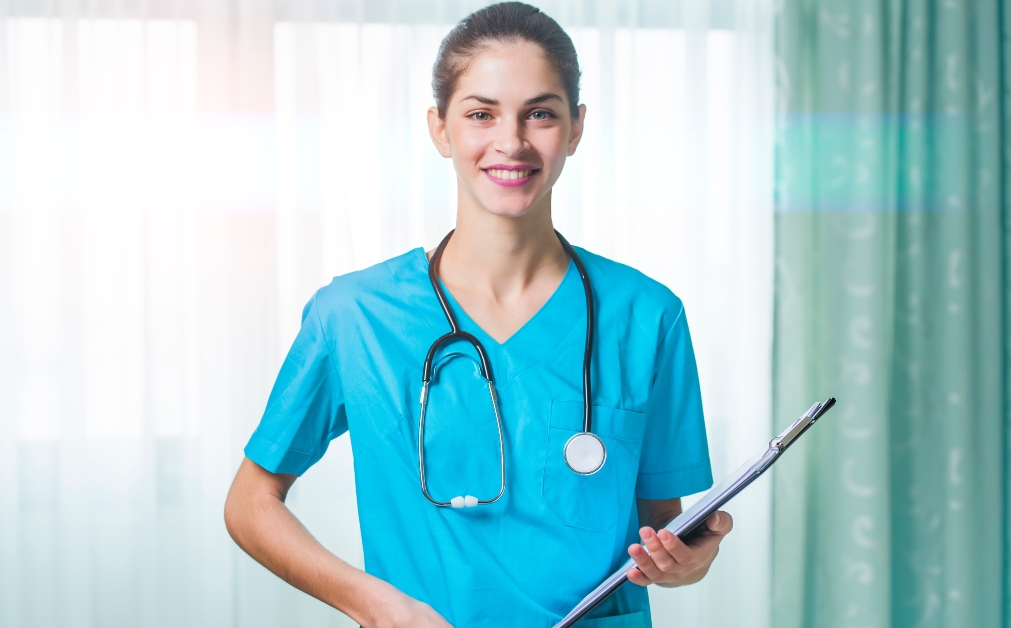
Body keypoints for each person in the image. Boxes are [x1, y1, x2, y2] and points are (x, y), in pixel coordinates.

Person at [223, 3, 733, 626]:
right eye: (480, 114)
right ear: (440, 129)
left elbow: (664, 529)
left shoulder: (648, 316)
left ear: (575, 128)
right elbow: (251, 502)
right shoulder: (355, 317)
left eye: (540, 114)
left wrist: (687, 562)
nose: (511, 142)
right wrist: (378, 606)